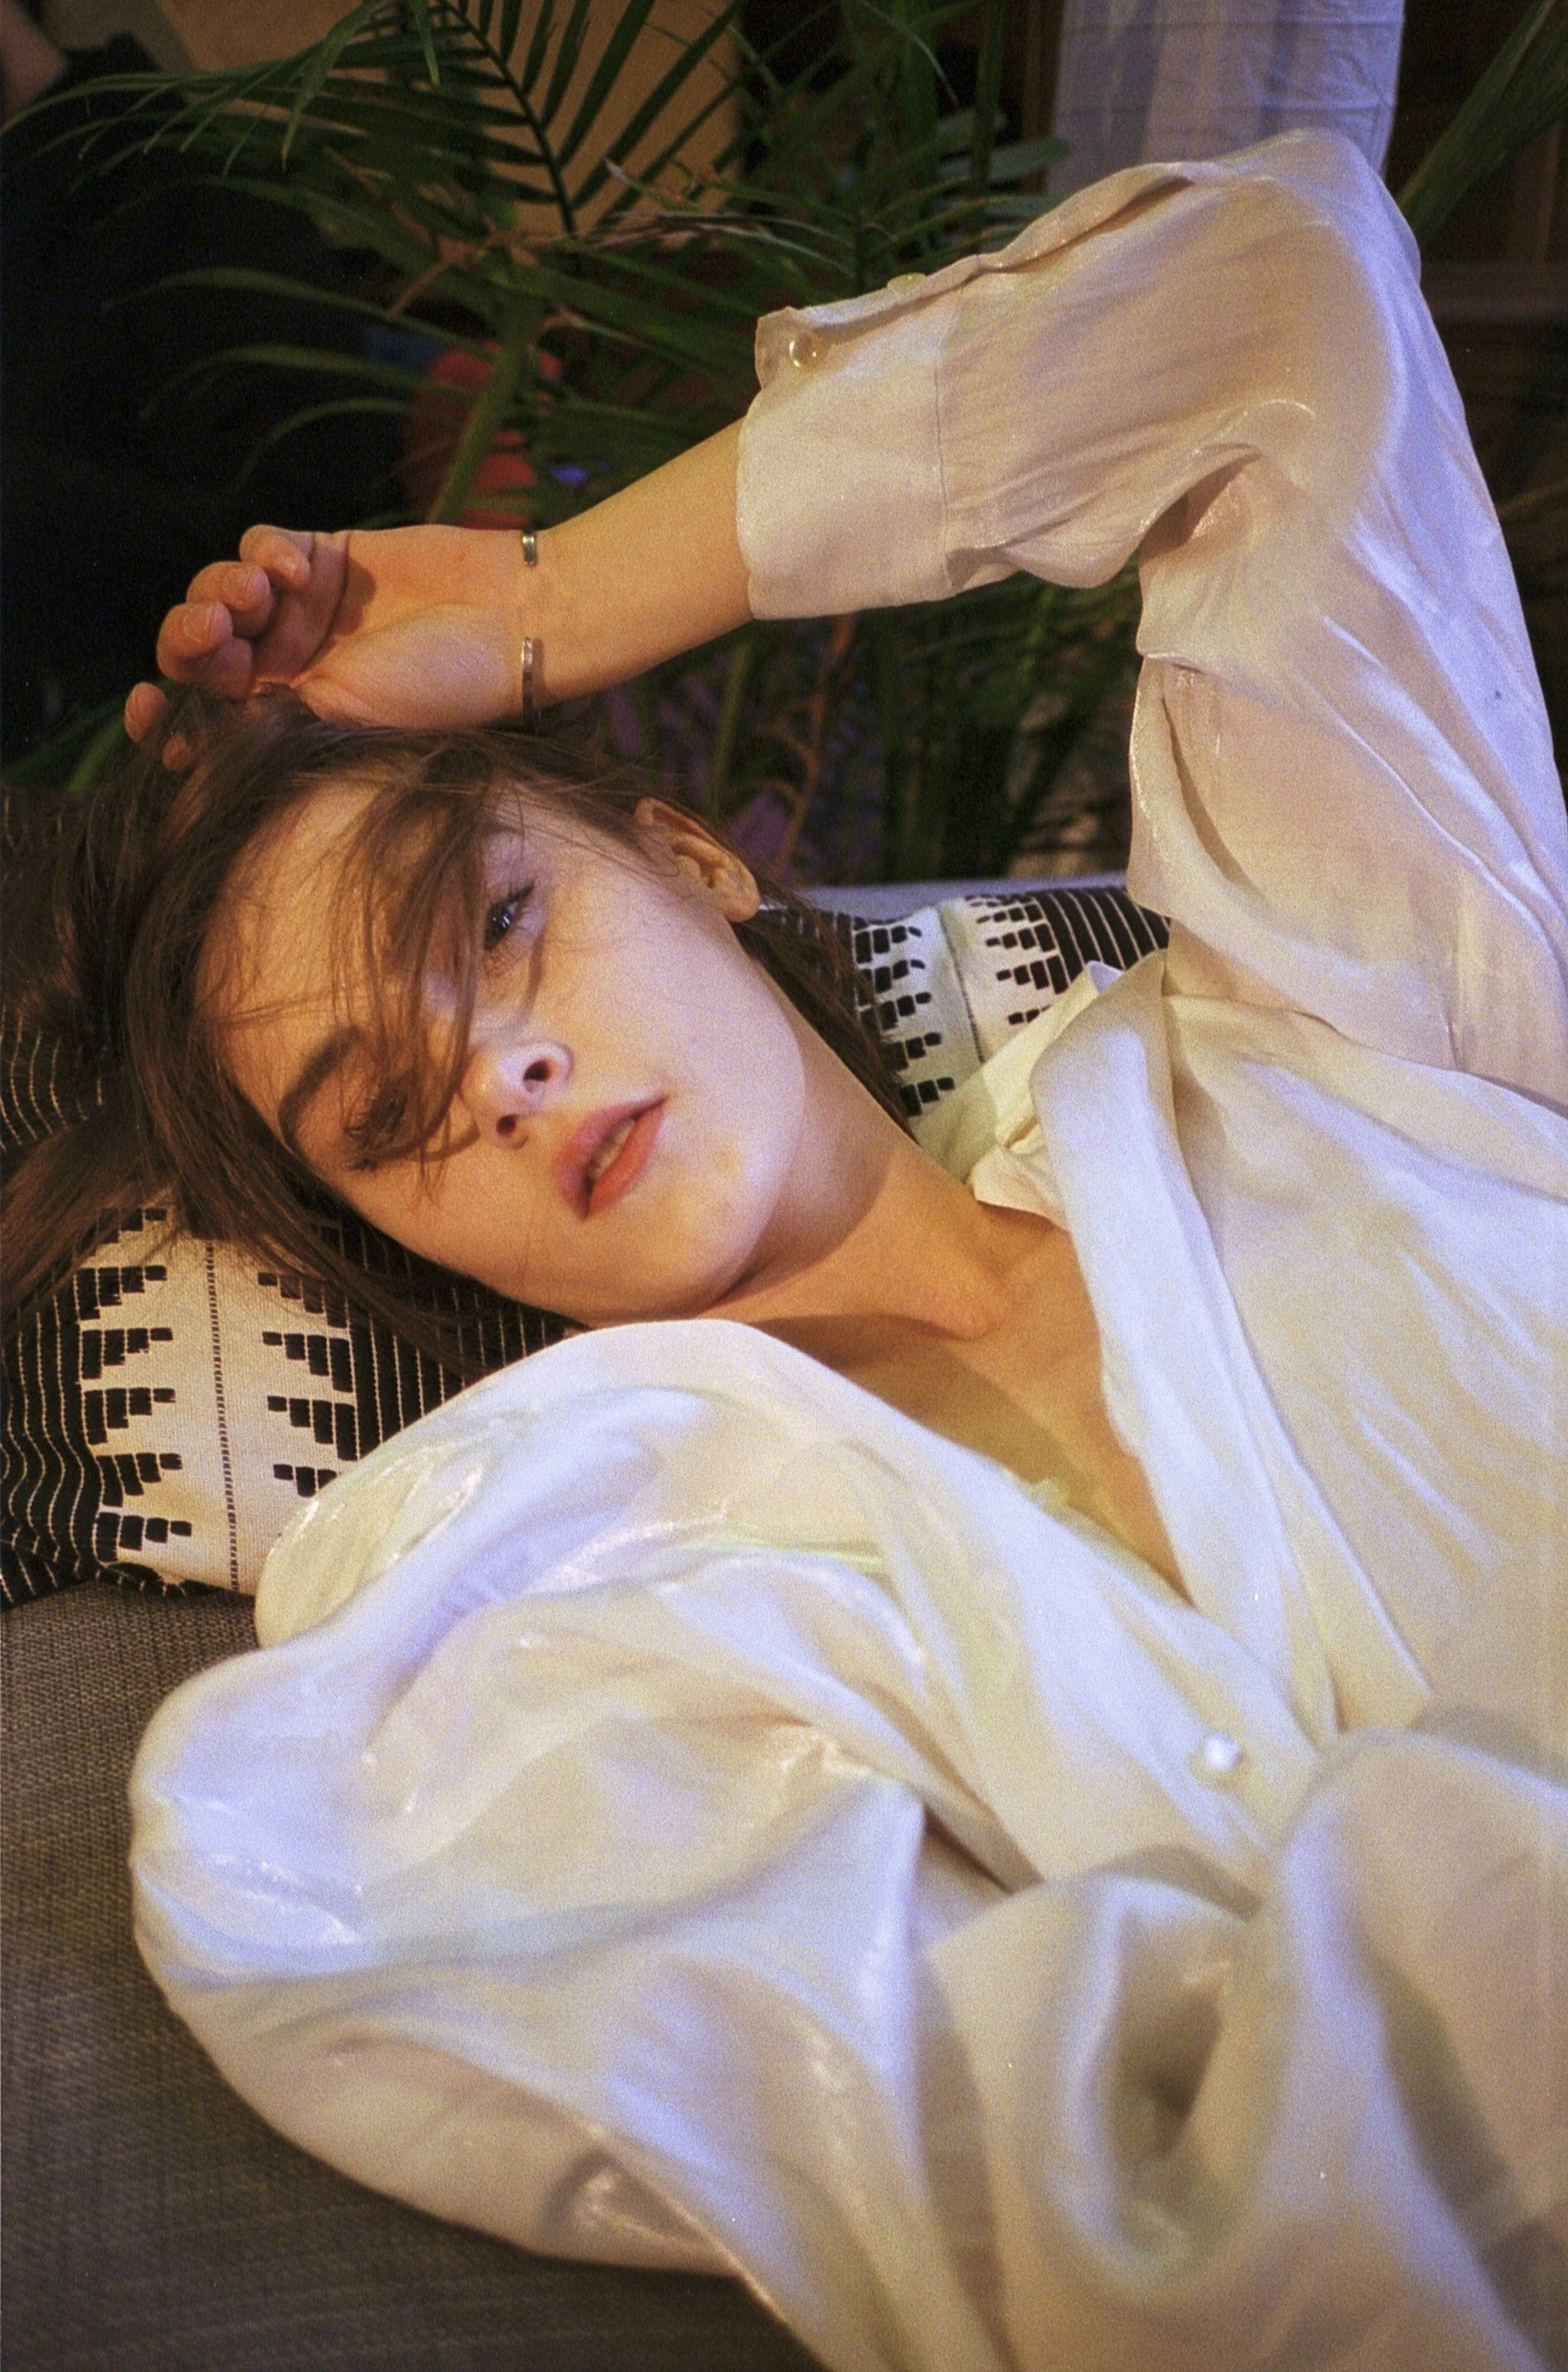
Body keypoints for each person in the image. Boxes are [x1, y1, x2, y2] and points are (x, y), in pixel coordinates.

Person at [27, 127, 1568, 2369]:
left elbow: (1277, 297)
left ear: (700, 858)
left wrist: (555, 601)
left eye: (499, 926)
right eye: (387, 1116)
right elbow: (1115, 2221)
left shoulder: (1314, 1027)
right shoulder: (575, 1585)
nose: (509, 1082)